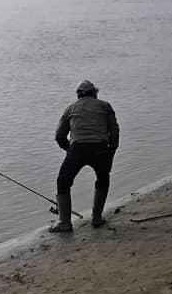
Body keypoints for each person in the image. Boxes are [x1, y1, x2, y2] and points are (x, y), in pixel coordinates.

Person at [49, 80, 119, 232]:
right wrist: (112, 150)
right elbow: (114, 131)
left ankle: (64, 222)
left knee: (63, 182)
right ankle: (97, 218)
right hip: (101, 149)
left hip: (77, 148)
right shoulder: (105, 106)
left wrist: (68, 149)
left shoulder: (70, 108)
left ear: (78, 94)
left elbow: (59, 136)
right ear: (95, 93)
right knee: (102, 179)